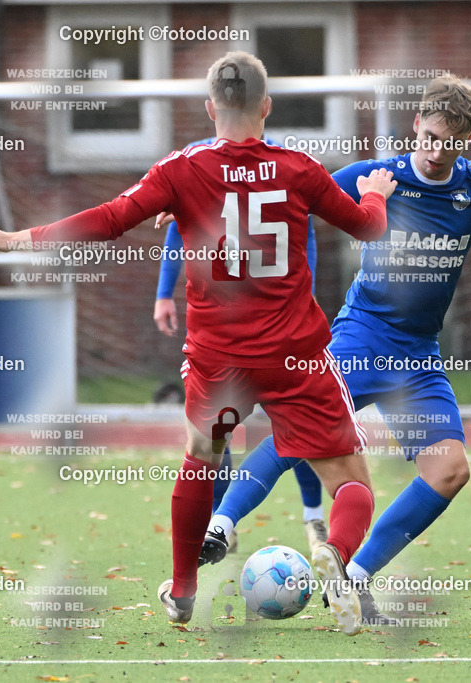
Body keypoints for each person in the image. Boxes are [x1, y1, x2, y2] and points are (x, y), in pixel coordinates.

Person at [0, 51, 398, 636]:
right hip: (295, 355)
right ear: (266, 106)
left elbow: (112, 218)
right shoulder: (300, 168)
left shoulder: (182, 169)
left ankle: (184, 590)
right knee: (351, 482)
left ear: (210, 107)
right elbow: (367, 227)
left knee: (201, 459)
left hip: (220, 359)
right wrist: (375, 193)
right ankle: (337, 555)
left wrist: (22, 237)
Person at [196, 74, 471, 624]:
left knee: (450, 469)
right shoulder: (379, 178)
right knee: (299, 433)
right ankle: (223, 524)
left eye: (448, 144)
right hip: (363, 336)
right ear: (415, 127)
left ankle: (352, 578)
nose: (434, 152)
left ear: (465, 141)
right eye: (427, 137)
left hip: (419, 356)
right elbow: (287, 199)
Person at [152, 143, 328, 557]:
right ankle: (220, 526)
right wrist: (163, 294)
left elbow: (309, 232)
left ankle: (313, 515)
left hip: (275, 325)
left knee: (297, 423)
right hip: (223, 329)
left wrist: (307, 295)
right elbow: (177, 228)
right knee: (218, 428)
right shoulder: (195, 164)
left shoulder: (284, 166)